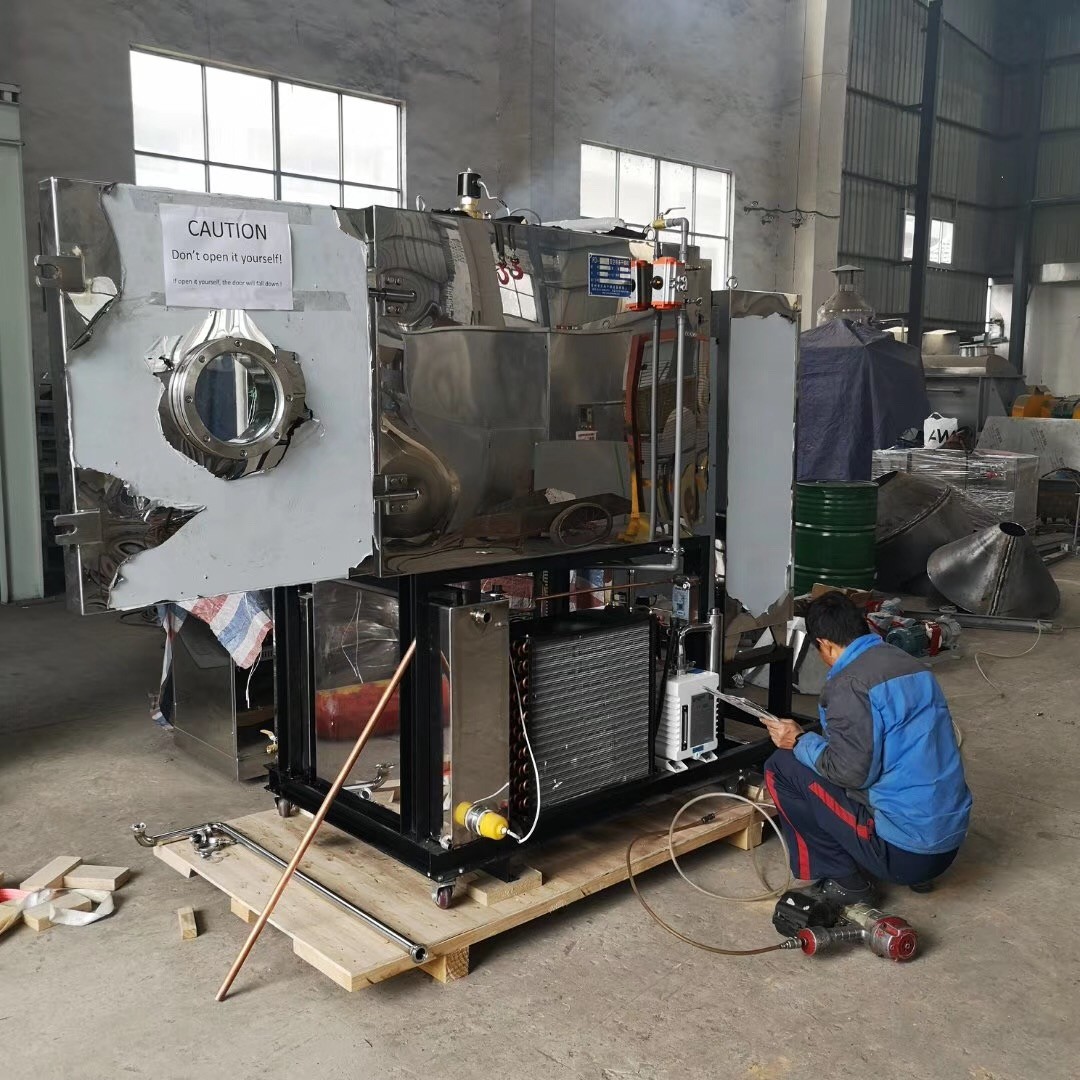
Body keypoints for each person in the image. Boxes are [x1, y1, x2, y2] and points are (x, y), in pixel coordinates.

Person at [761, 591, 971, 904]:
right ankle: (918, 874)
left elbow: (849, 773)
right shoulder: (912, 665)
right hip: (948, 841)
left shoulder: (849, 684)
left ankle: (844, 881)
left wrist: (800, 740)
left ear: (825, 645)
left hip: (904, 855)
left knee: (783, 765)